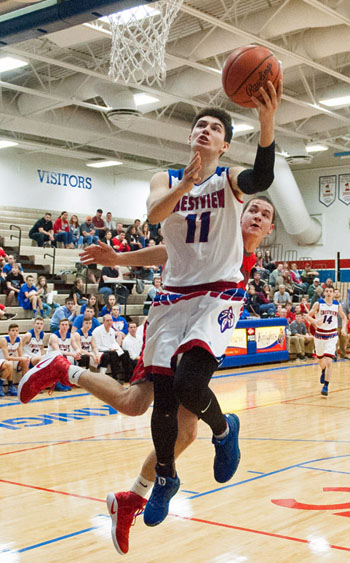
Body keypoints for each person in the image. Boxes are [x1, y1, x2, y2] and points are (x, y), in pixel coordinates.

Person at [19, 195, 277, 554]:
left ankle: (133, 496)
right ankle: (65, 369)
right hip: (174, 321)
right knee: (136, 404)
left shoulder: (247, 257)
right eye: (253, 209)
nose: (258, 216)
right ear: (240, 213)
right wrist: (119, 260)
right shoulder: (217, 236)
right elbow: (168, 250)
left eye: (265, 214)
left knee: (181, 430)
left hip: (197, 329)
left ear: (269, 229)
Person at [305, 286, 347, 396]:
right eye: (327, 291)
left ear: (334, 294)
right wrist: (314, 320)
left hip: (332, 335)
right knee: (320, 360)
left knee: (329, 361)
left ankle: (326, 386)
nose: (328, 293)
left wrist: (343, 328)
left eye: (331, 291)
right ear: (324, 292)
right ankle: (323, 370)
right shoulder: (318, 304)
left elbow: (344, 317)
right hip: (319, 335)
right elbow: (307, 316)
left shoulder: (337, 305)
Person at [93, 314, 134, 382]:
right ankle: (115, 377)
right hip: (100, 351)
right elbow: (96, 346)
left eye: (111, 320)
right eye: (107, 320)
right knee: (113, 354)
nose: (109, 322)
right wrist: (109, 349)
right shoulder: (97, 331)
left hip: (110, 350)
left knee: (125, 353)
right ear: (103, 322)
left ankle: (128, 376)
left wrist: (119, 349)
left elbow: (113, 343)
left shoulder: (112, 330)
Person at [47, 319, 80, 391]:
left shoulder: (70, 336)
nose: (64, 327)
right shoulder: (54, 336)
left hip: (63, 356)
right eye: (62, 325)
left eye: (66, 325)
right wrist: (72, 354)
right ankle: (57, 384)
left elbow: (76, 348)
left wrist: (77, 353)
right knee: (59, 358)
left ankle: (65, 381)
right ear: (59, 326)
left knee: (72, 359)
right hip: (51, 357)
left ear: (68, 326)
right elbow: (57, 351)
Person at [0, 323, 30, 394]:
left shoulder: (19, 339)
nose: (15, 332)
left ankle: (23, 385)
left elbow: (20, 355)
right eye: (13, 330)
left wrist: (24, 359)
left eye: (16, 331)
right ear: (8, 332)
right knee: (10, 363)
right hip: (2, 359)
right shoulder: (4, 340)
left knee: (25, 361)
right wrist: (20, 359)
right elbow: (7, 357)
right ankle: (8, 385)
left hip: (10, 360)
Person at [334, 288, 349, 359]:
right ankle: (334, 354)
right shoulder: (332, 302)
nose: (336, 293)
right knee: (335, 341)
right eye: (335, 292)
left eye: (338, 292)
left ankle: (343, 354)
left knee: (343, 340)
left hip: (343, 325)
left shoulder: (344, 302)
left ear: (340, 294)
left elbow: (348, 313)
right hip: (334, 325)